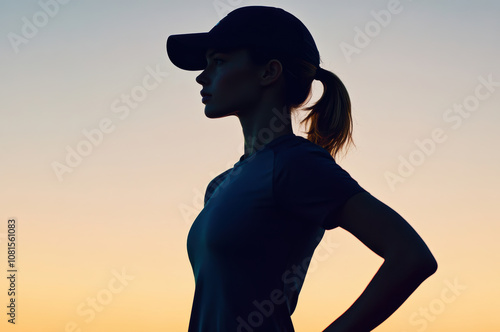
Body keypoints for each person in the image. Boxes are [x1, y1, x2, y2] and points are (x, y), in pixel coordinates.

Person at [166, 6, 437, 332]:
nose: (202, 75)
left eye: (219, 61)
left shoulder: (295, 164)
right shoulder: (221, 185)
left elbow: (411, 256)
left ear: (269, 72)